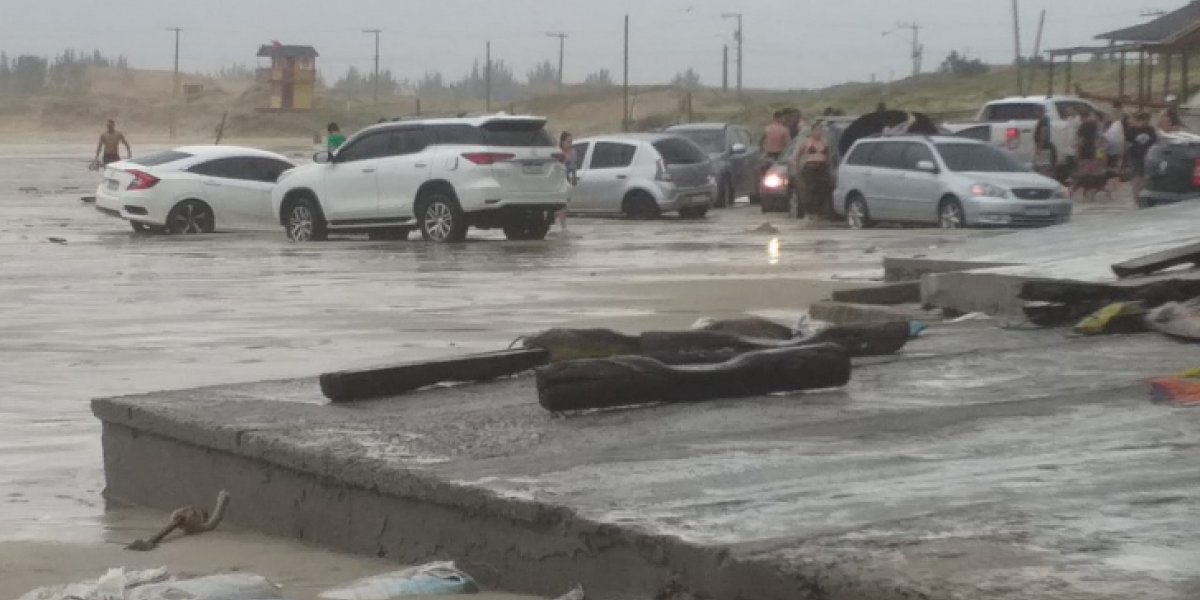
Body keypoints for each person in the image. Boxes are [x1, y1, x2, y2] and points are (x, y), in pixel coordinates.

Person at [793, 123, 834, 223]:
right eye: (816, 130)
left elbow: (829, 157)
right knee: (810, 190)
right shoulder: (806, 143)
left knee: (822, 191)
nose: (818, 133)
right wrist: (797, 169)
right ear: (812, 132)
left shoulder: (825, 143)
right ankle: (808, 213)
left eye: (820, 131)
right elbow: (797, 156)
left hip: (822, 169)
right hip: (810, 169)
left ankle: (818, 212)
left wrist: (830, 169)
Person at [1071, 111, 1106, 201]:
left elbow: (1081, 141)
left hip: (1085, 154)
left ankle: (1072, 192)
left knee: (1083, 175)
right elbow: (1100, 142)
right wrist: (1100, 156)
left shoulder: (1084, 126)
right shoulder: (1097, 126)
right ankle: (1089, 196)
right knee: (1093, 176)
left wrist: (1077, 153)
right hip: (1095, 155)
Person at [1126, 112, 1158, 207]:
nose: (1146, 123)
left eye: (1148, 121)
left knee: (1146, 181)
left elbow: (1155, 143)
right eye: (1145, 120)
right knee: (1136, 181)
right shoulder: (1131, 130)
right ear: (1139, 120)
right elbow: (1126, 145)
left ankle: (1143, 202)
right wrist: (1124, 159)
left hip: (1148, 158)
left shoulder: (1151, 130)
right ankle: (1137, 203)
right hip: (1135, 158)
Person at [557, 131, 577, 233]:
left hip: (567, 180)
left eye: (571, 141)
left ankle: (563, 225)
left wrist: (574, 177)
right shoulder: (558, 152)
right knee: (561, 203)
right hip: (558, 180)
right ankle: (562, 226)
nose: (570, 144)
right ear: (562, 142)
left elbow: (574, 167)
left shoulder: (573, 152)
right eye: (568, 142)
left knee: (564, 203)